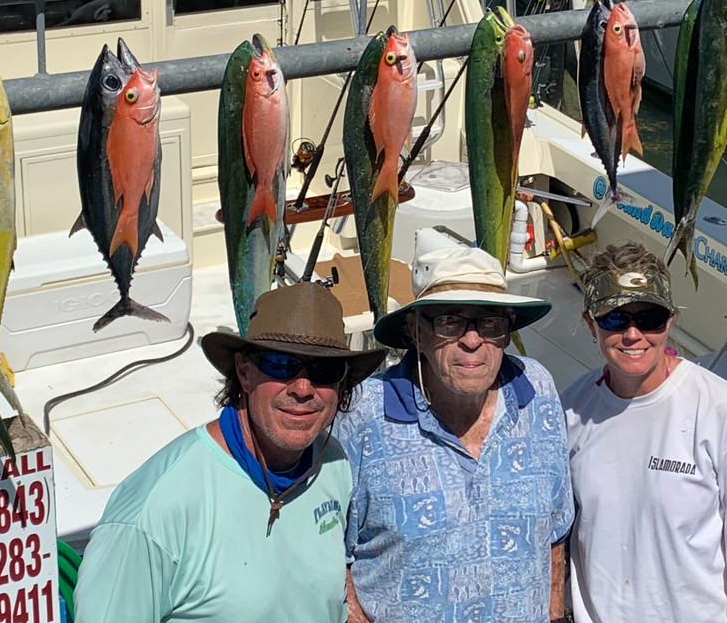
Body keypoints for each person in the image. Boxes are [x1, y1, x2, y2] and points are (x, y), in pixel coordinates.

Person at [73, 281, 386, 622]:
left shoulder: (332, 463)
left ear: (342, 386)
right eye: (281, 364)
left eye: (325, 370)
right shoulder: (152, 512)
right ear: (244, 372)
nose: (302, 388)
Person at [337, 245, 574, 623]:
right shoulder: (364, 412)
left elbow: (556, 530)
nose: (472, 339)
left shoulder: (537, 389)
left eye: (491, 322)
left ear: (508, 333)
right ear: (416, 331)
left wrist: (555, 613)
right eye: (451, 320)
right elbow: (329, 550)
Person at [562, 242, 727, 622]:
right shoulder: (569, 409)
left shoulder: (717, 408)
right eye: (615, 319)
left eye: (649, 317)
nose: (633, 334)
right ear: (591, 324)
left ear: (670, 319)